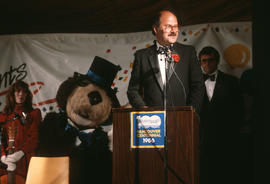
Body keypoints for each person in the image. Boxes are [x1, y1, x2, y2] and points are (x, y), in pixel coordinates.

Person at [127, 9, 204, 113]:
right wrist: (144, 110)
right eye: (168, 26)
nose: (173, 30)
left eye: (175, 26)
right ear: (155, 29)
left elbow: (198, 86)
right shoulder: (142, 56)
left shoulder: (188, 52)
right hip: (153, 122)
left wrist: (190, 112)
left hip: (183, 120)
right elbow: (133, 90)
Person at [198, 46, 244, 184]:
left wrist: (234, 132)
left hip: (226, 139)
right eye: (203, 61)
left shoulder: (231, 81)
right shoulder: (194, 84)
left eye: (210, 60)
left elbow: (239, 110)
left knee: (226, 174)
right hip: (202, 140)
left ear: (217, 61)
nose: (207, 64)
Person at [0, 80, 42, 182]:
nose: (21, 94)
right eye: (18, 91)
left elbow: (35, 137)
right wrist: (2, 156)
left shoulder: (34, 113)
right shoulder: (3, 116)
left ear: (27, 95)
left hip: (25, 160)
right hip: (6, 161)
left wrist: (21, 153)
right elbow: (0, 139)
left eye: (24, 92)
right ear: (12, 94)